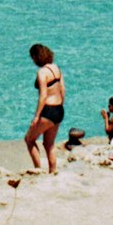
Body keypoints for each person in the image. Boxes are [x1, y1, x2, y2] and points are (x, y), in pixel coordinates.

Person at [25, 44, 65, 173]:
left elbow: (43, 95)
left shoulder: (42, 72)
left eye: (33, 58)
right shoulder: (56, 68)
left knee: (29, 139)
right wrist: (60, 106)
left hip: (48, 110)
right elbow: (62, 90)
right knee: (49, 144)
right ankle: (53, 171)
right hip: (59, 109)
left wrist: (36, 116)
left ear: (37, 57)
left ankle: (38, 170)